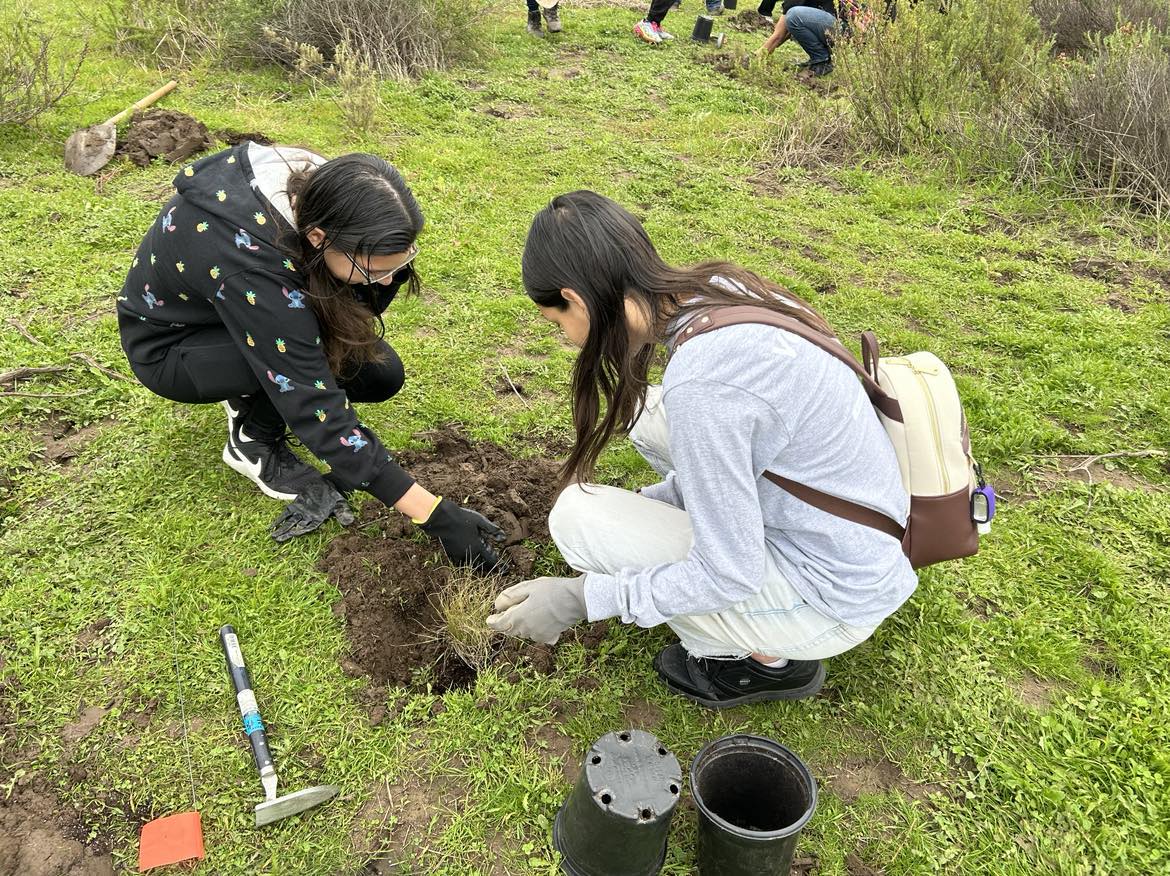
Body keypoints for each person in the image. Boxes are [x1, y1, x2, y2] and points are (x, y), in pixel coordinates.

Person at [487, 191, 917, 708]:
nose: (567, 339)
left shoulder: (705, 385)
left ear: (574, 299)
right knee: (646, 413)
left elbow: (728, 572)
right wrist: (657, 502)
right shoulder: (719, 291)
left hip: (835, 594)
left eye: (557, 323)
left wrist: (582, 599)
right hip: (856, 527)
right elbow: (739, 455)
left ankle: (765, 663)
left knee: (580, 517)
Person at [117, 142, 506, 569]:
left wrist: (377, 276)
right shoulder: (250, 263)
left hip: (244, 311)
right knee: (306, 365)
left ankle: (254, 387)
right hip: (176, 345)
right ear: (318, 238)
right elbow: (312, 399)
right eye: (375, 271)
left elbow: (352, 309)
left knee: (378, 374)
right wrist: (433, 513)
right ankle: (252, 439)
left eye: (398, 264)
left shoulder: (334, 191)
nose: (389, 280)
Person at [756, 0, 839, 75]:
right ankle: (822, 56)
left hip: (841, 29)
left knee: (794, 16)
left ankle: (822, 60)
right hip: (841, 29)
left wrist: (759, 56)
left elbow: (779, 35)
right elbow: (786, 31)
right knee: (796, 23)